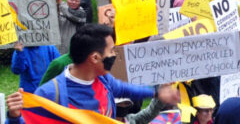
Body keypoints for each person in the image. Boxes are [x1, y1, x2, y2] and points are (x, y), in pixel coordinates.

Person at [5, 24, 167, 122]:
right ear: (95, 58)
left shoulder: (103, 79)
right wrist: (14, 116)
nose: (115, 55)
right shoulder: (49, 94)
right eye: (111, 51)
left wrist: (156, 93)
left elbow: (124, 89)